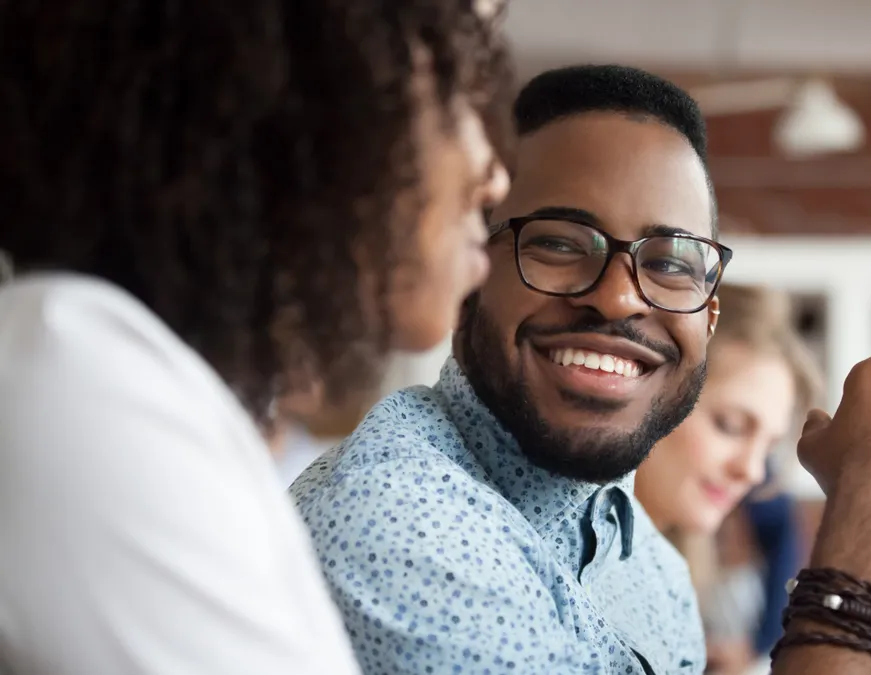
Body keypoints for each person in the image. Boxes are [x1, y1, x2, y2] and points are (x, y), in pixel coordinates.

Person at [293, 63, 871, 675]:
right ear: (473, 268)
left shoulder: (649, 561)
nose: (619, 296)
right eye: (560, 243)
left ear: (707, 313)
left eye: (672, 261)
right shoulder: (401, 519)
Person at [0, 2, 511, 673]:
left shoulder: (133, 385)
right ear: (300, 92)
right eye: (450, 84)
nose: (495, 174)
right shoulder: (80, 383)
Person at [633, 283, 822, 674]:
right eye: (731, 425)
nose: (752, 472)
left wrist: (759, 644)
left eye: (768, 447)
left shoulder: (668, 576)